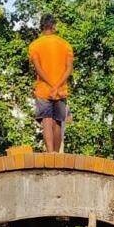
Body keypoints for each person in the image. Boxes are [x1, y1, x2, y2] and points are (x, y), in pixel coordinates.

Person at [28, 15, 73, 153]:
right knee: (58, 122)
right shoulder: (66, 45)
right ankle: (57, 155)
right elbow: (69, 69)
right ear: (53, 26)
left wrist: (50, 84)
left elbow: (38, 69)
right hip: (60, 90)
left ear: (42, 27)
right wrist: (57, 85)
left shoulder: (34, 45)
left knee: (46, 121)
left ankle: (50, 153)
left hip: (44, 90)